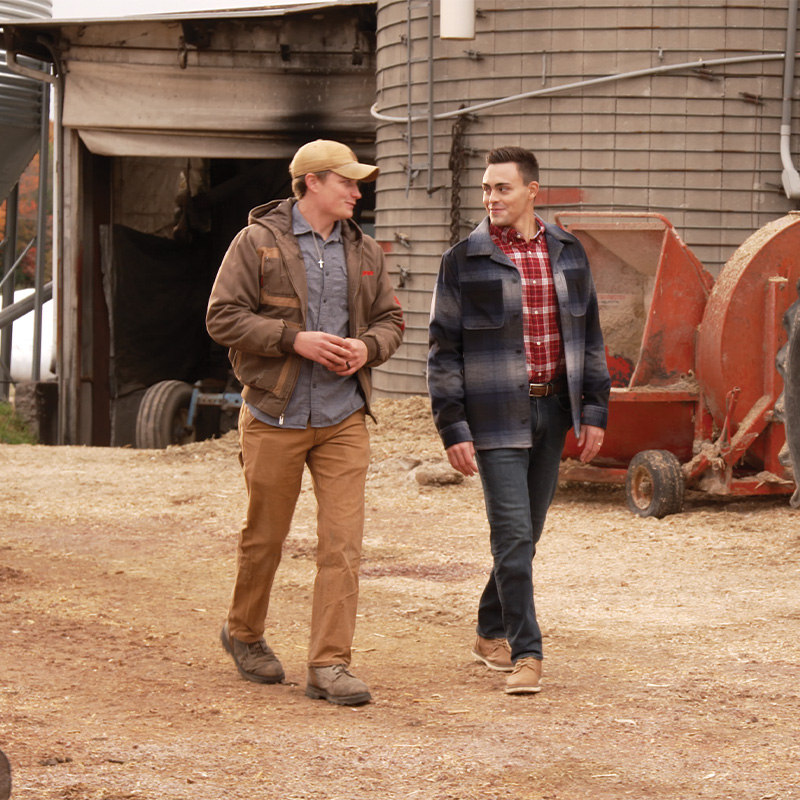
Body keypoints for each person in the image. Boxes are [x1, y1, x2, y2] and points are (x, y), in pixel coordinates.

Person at [206, 140, 404, 706]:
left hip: (343, 415)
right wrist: (295, 340)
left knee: (343, 544)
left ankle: (329, 664)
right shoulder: (257, 243)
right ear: (312, 182)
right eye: (347, 182)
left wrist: (367, 348)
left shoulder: (364, 250)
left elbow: (391, 319)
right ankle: (243, 633)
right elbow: (222, 317)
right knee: (264, 536)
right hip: (275, 411)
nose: (357, 191)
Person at [427, 146, 610, 694]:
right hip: (494, 416)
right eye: (486, 188)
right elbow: (442, 352)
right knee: (511, 534)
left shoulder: (569, 252)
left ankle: (488, 629)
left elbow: (591, 337)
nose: (491, 198)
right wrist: (452, 427)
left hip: (553, 409)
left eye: (501, 188)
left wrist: (594, 410)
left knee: (527, 535)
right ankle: (526, 652)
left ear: (533, 190)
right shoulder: (463, 260)